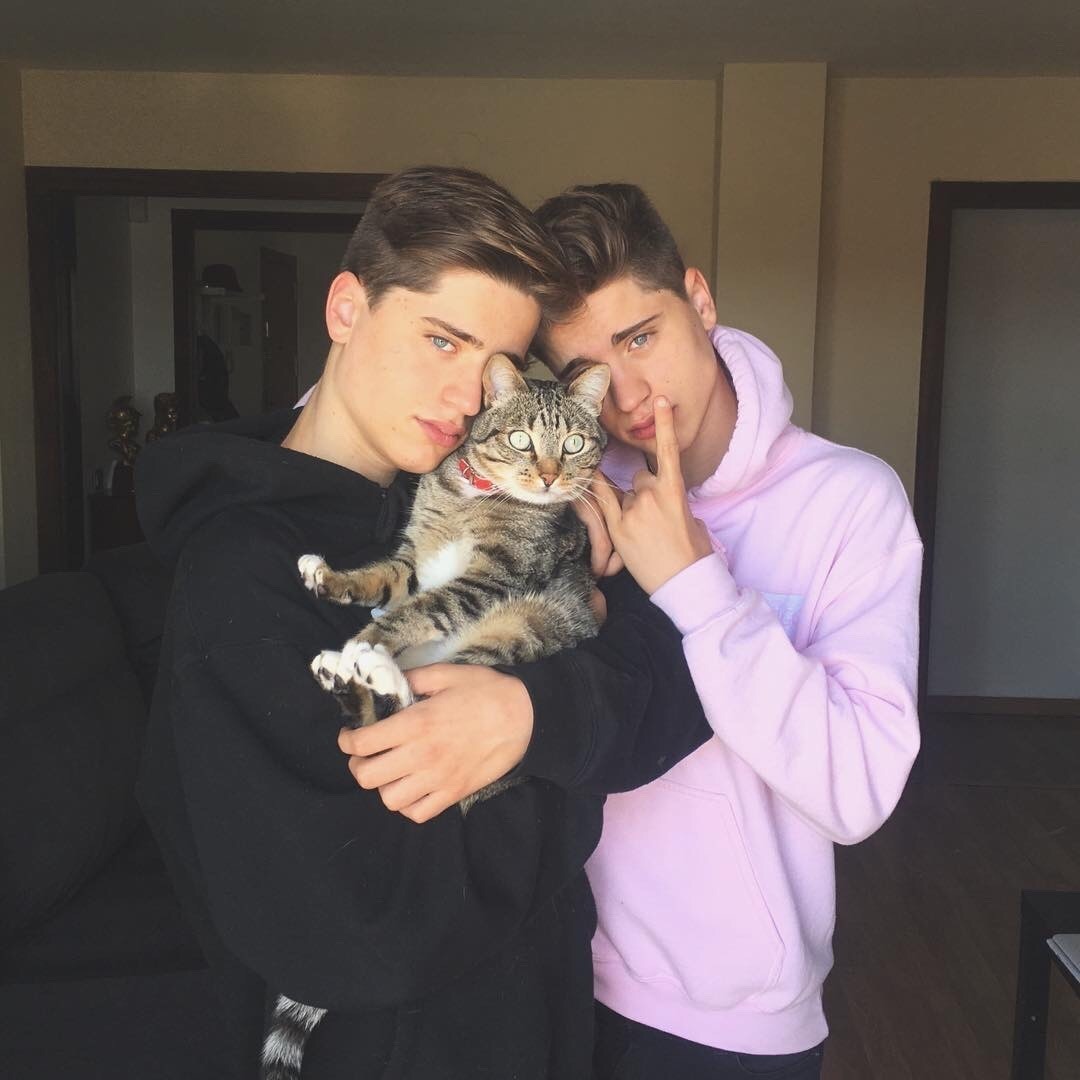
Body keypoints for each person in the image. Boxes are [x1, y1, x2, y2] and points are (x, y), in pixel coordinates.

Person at [135, 166, 711, 1080]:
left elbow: (688, 682)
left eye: (494, 364)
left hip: (549, 1022)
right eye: (442, 340)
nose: (468, 398)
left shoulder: (477, 490)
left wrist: (535, 708)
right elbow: (362, 926)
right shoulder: (238, 579)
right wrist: (553, 741)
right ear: (345, 309)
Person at [526, 182, 922, 1077]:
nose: (628, 395)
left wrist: (697, 588)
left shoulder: (849, 500)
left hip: (730, 1025)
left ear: (698, 300)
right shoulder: (573, 493)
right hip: (547, 974)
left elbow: (859, 791)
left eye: (641, 337)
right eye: (589, 370)